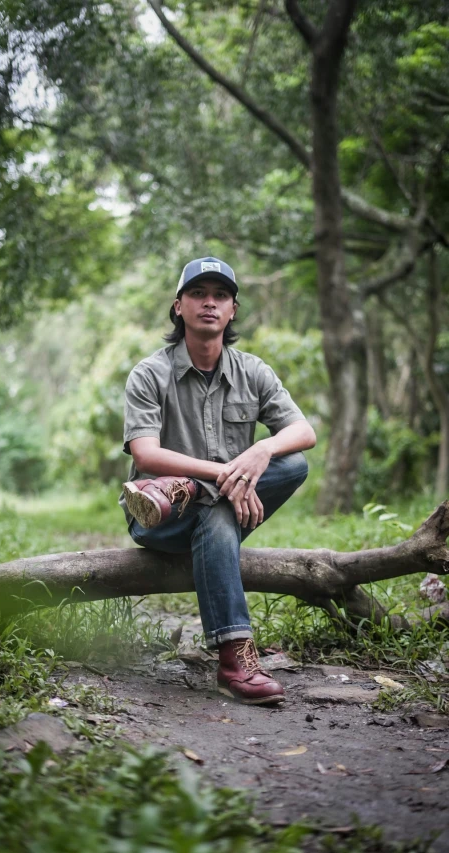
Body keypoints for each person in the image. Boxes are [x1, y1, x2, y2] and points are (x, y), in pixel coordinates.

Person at [119, 256, 316, 705]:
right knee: (218, 508)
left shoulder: (253, 371)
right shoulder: (150, 374)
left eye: (220, 296)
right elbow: (145, 454)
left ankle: (232, 660)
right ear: (178, 306)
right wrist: (228, 475)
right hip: (157, 516)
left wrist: (261, 450)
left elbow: (303, 432)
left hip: (205, 508)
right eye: (198, 294)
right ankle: (236, 663)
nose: (209, 303)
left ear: (232, 311)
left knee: (291, 465)